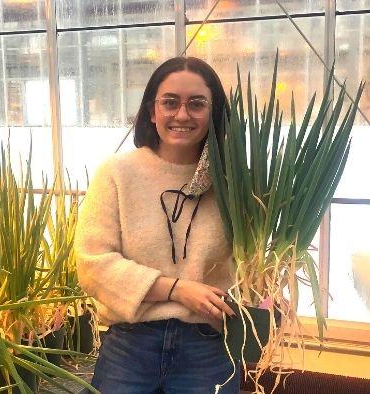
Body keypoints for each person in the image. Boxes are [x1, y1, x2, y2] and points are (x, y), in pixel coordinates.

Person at [75, 56, 240, 393]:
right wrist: (178, 289)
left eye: (197, 104)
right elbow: (93, 264)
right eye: (170, 102)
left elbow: (256, 262)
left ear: (214, 112)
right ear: (152, 111)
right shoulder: (118, 173)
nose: (182, 114)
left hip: (208, 346)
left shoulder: (234, 182)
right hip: (130, 345)